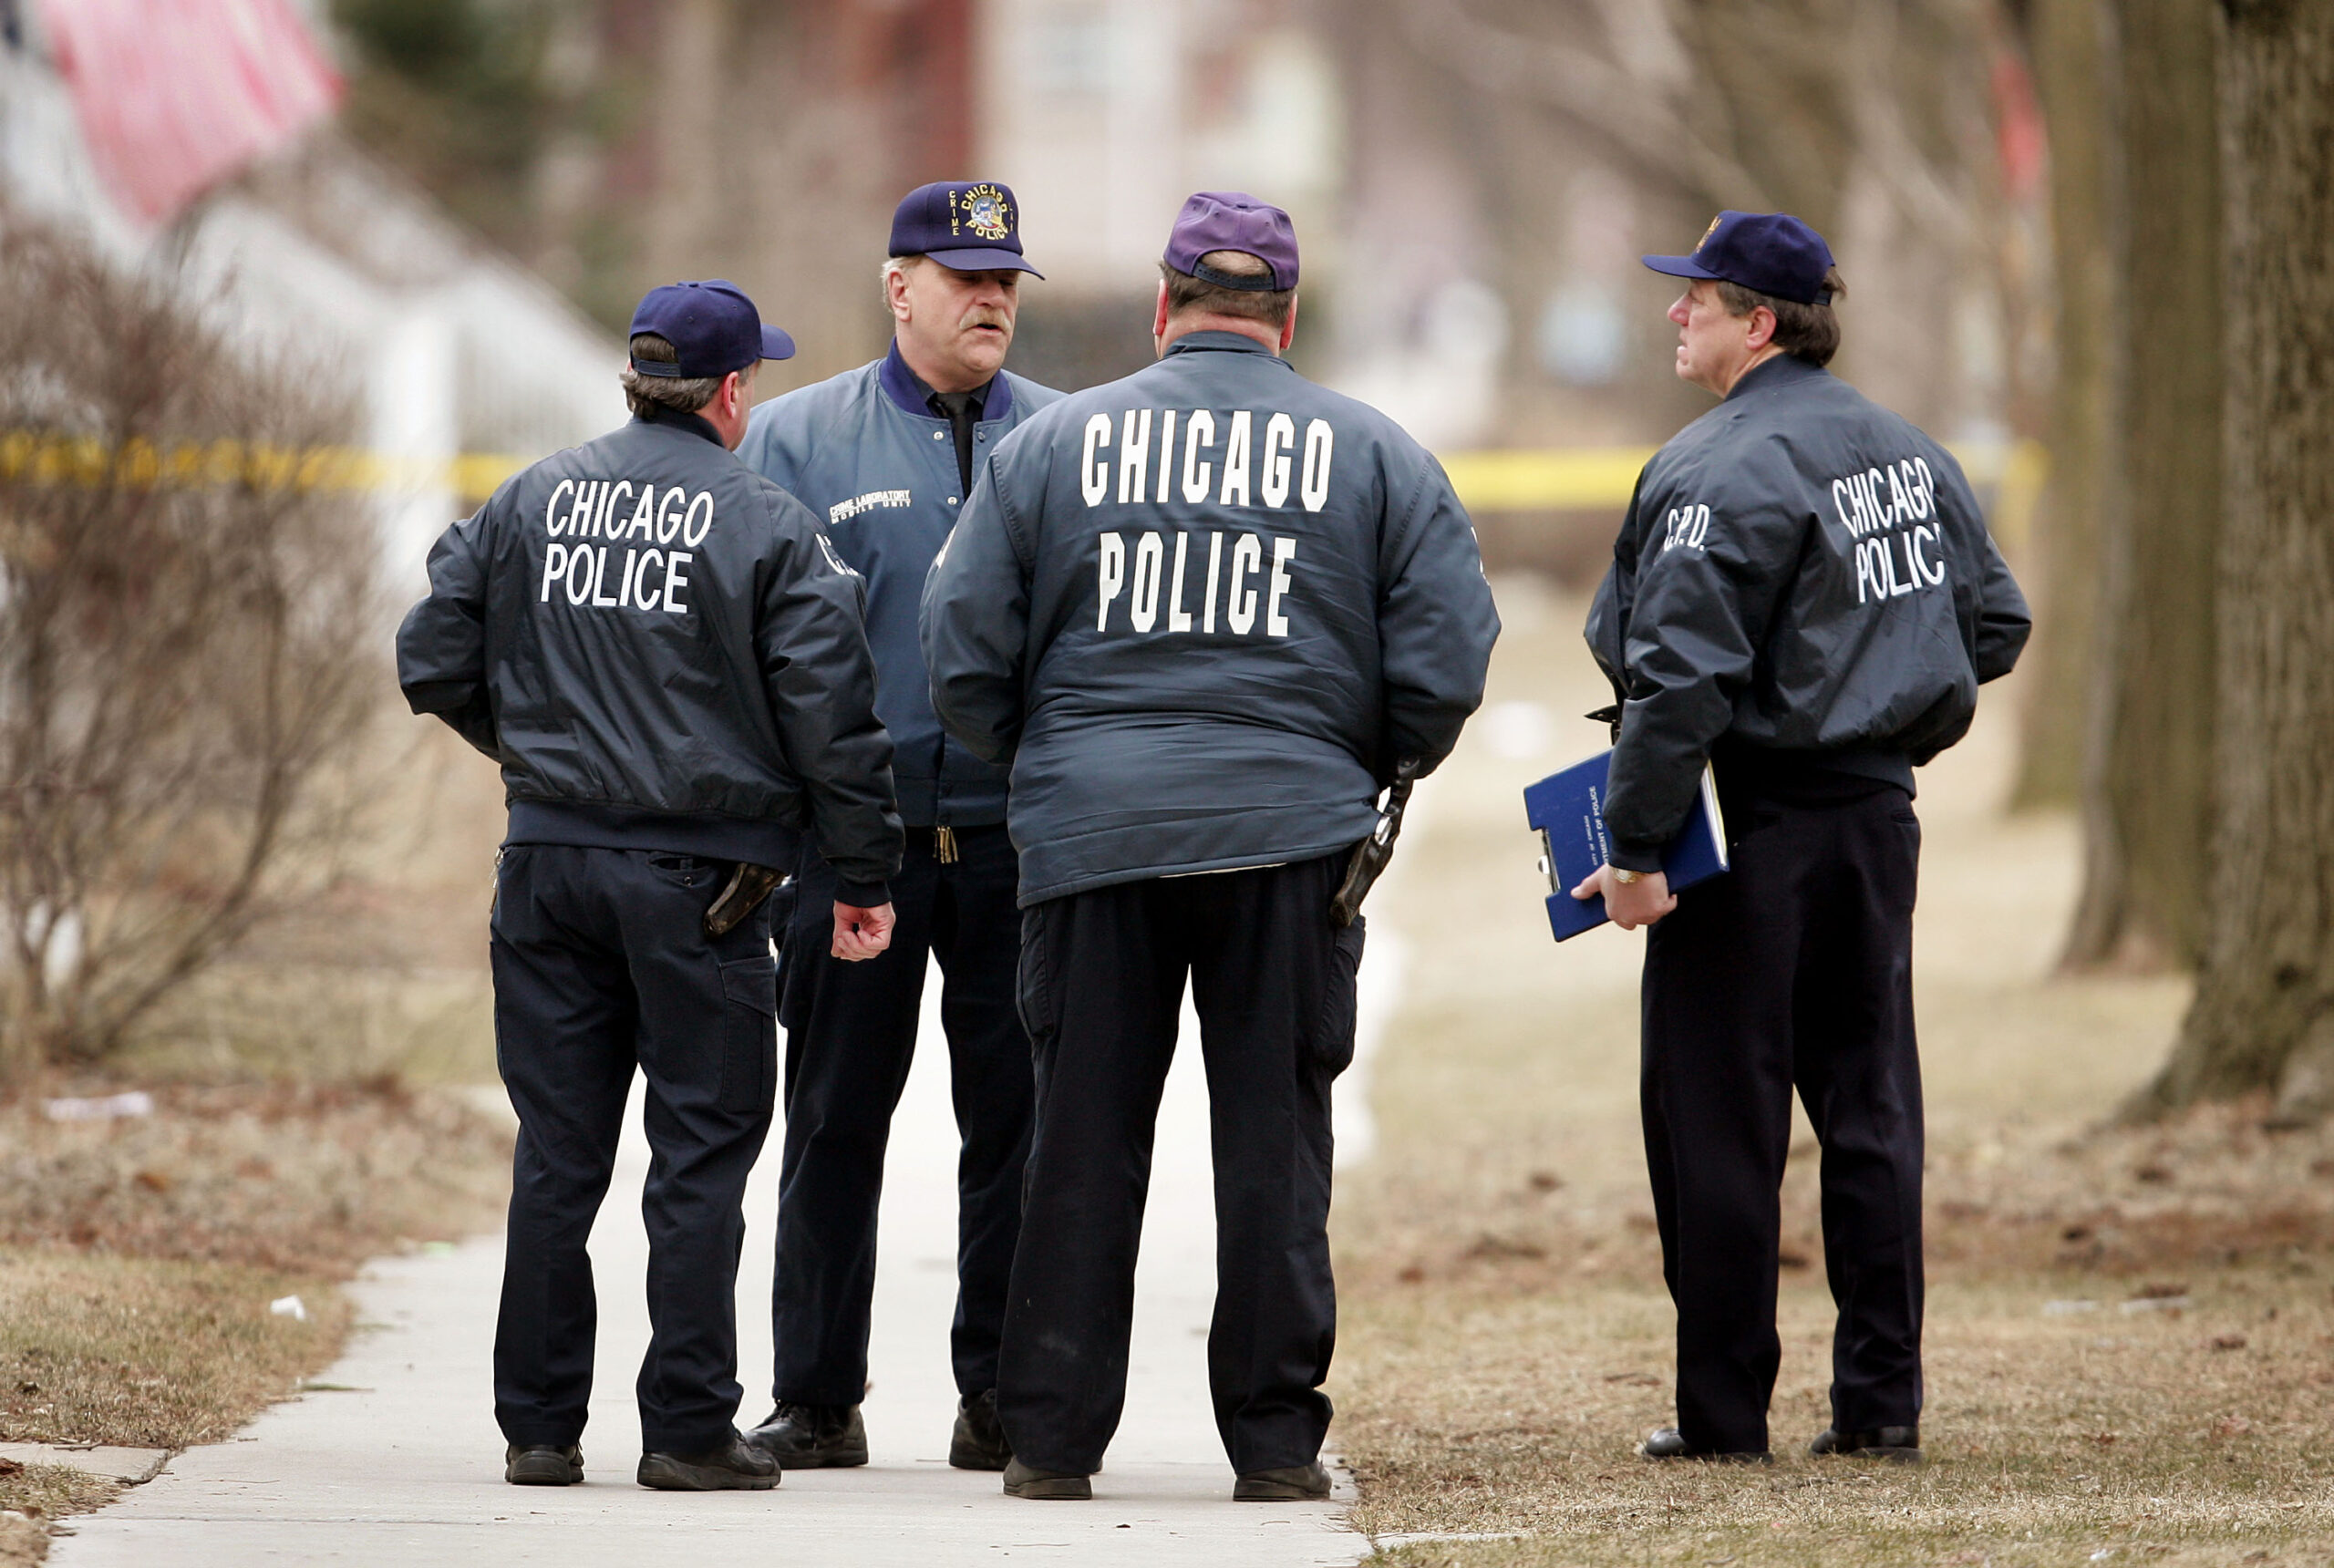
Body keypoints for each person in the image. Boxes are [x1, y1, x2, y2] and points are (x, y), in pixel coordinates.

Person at [922, 191, 1500, 1502]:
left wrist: (1048, 761)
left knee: (1079, 1143)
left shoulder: (1051, 447)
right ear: (1288, 320)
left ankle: (1054, 1441)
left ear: (1163, 308)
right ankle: (1276, 1445)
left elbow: (960, 642)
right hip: (1291, 844)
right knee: (1272, 1146)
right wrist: (1373, 760)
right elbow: (1449, 655)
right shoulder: (1375, 454)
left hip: (1093, 841)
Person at [396, 279, 904, 1492]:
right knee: (699, 1153)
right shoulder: (771, 525)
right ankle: (683, 1429)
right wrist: (866, 869)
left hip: (550, 867)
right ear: (733, 394)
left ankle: (539, 1429)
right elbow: (834, 722)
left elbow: (430, 656)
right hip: (704, 884)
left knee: (558, 1153)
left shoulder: (529, 497)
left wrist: (540, 761)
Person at [1573, 211, 2031, 1464]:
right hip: (1878, 827)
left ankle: (1725, 1419)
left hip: (1748, 827)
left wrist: (1635, 843)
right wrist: (1878, 715)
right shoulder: (1911, 451)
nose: (1677, 314)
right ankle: (1881, 1407)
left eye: (1699, 299)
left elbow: (1675, 680)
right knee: (1872, 1109)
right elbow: (1995, 622)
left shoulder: (1714, 467)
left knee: (1717, 1122)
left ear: (1760, 322)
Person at [732, 181, 1060, 1472]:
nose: (991, 299)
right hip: (850, 851)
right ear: (898, 287)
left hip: (1012, 842)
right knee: (830, 1119)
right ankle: (816, 1394)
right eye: (963, 275)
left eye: (1007, 281)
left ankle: (1004, 1393)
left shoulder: (1065, 440)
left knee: (1019, 1129)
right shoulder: (800, 443)